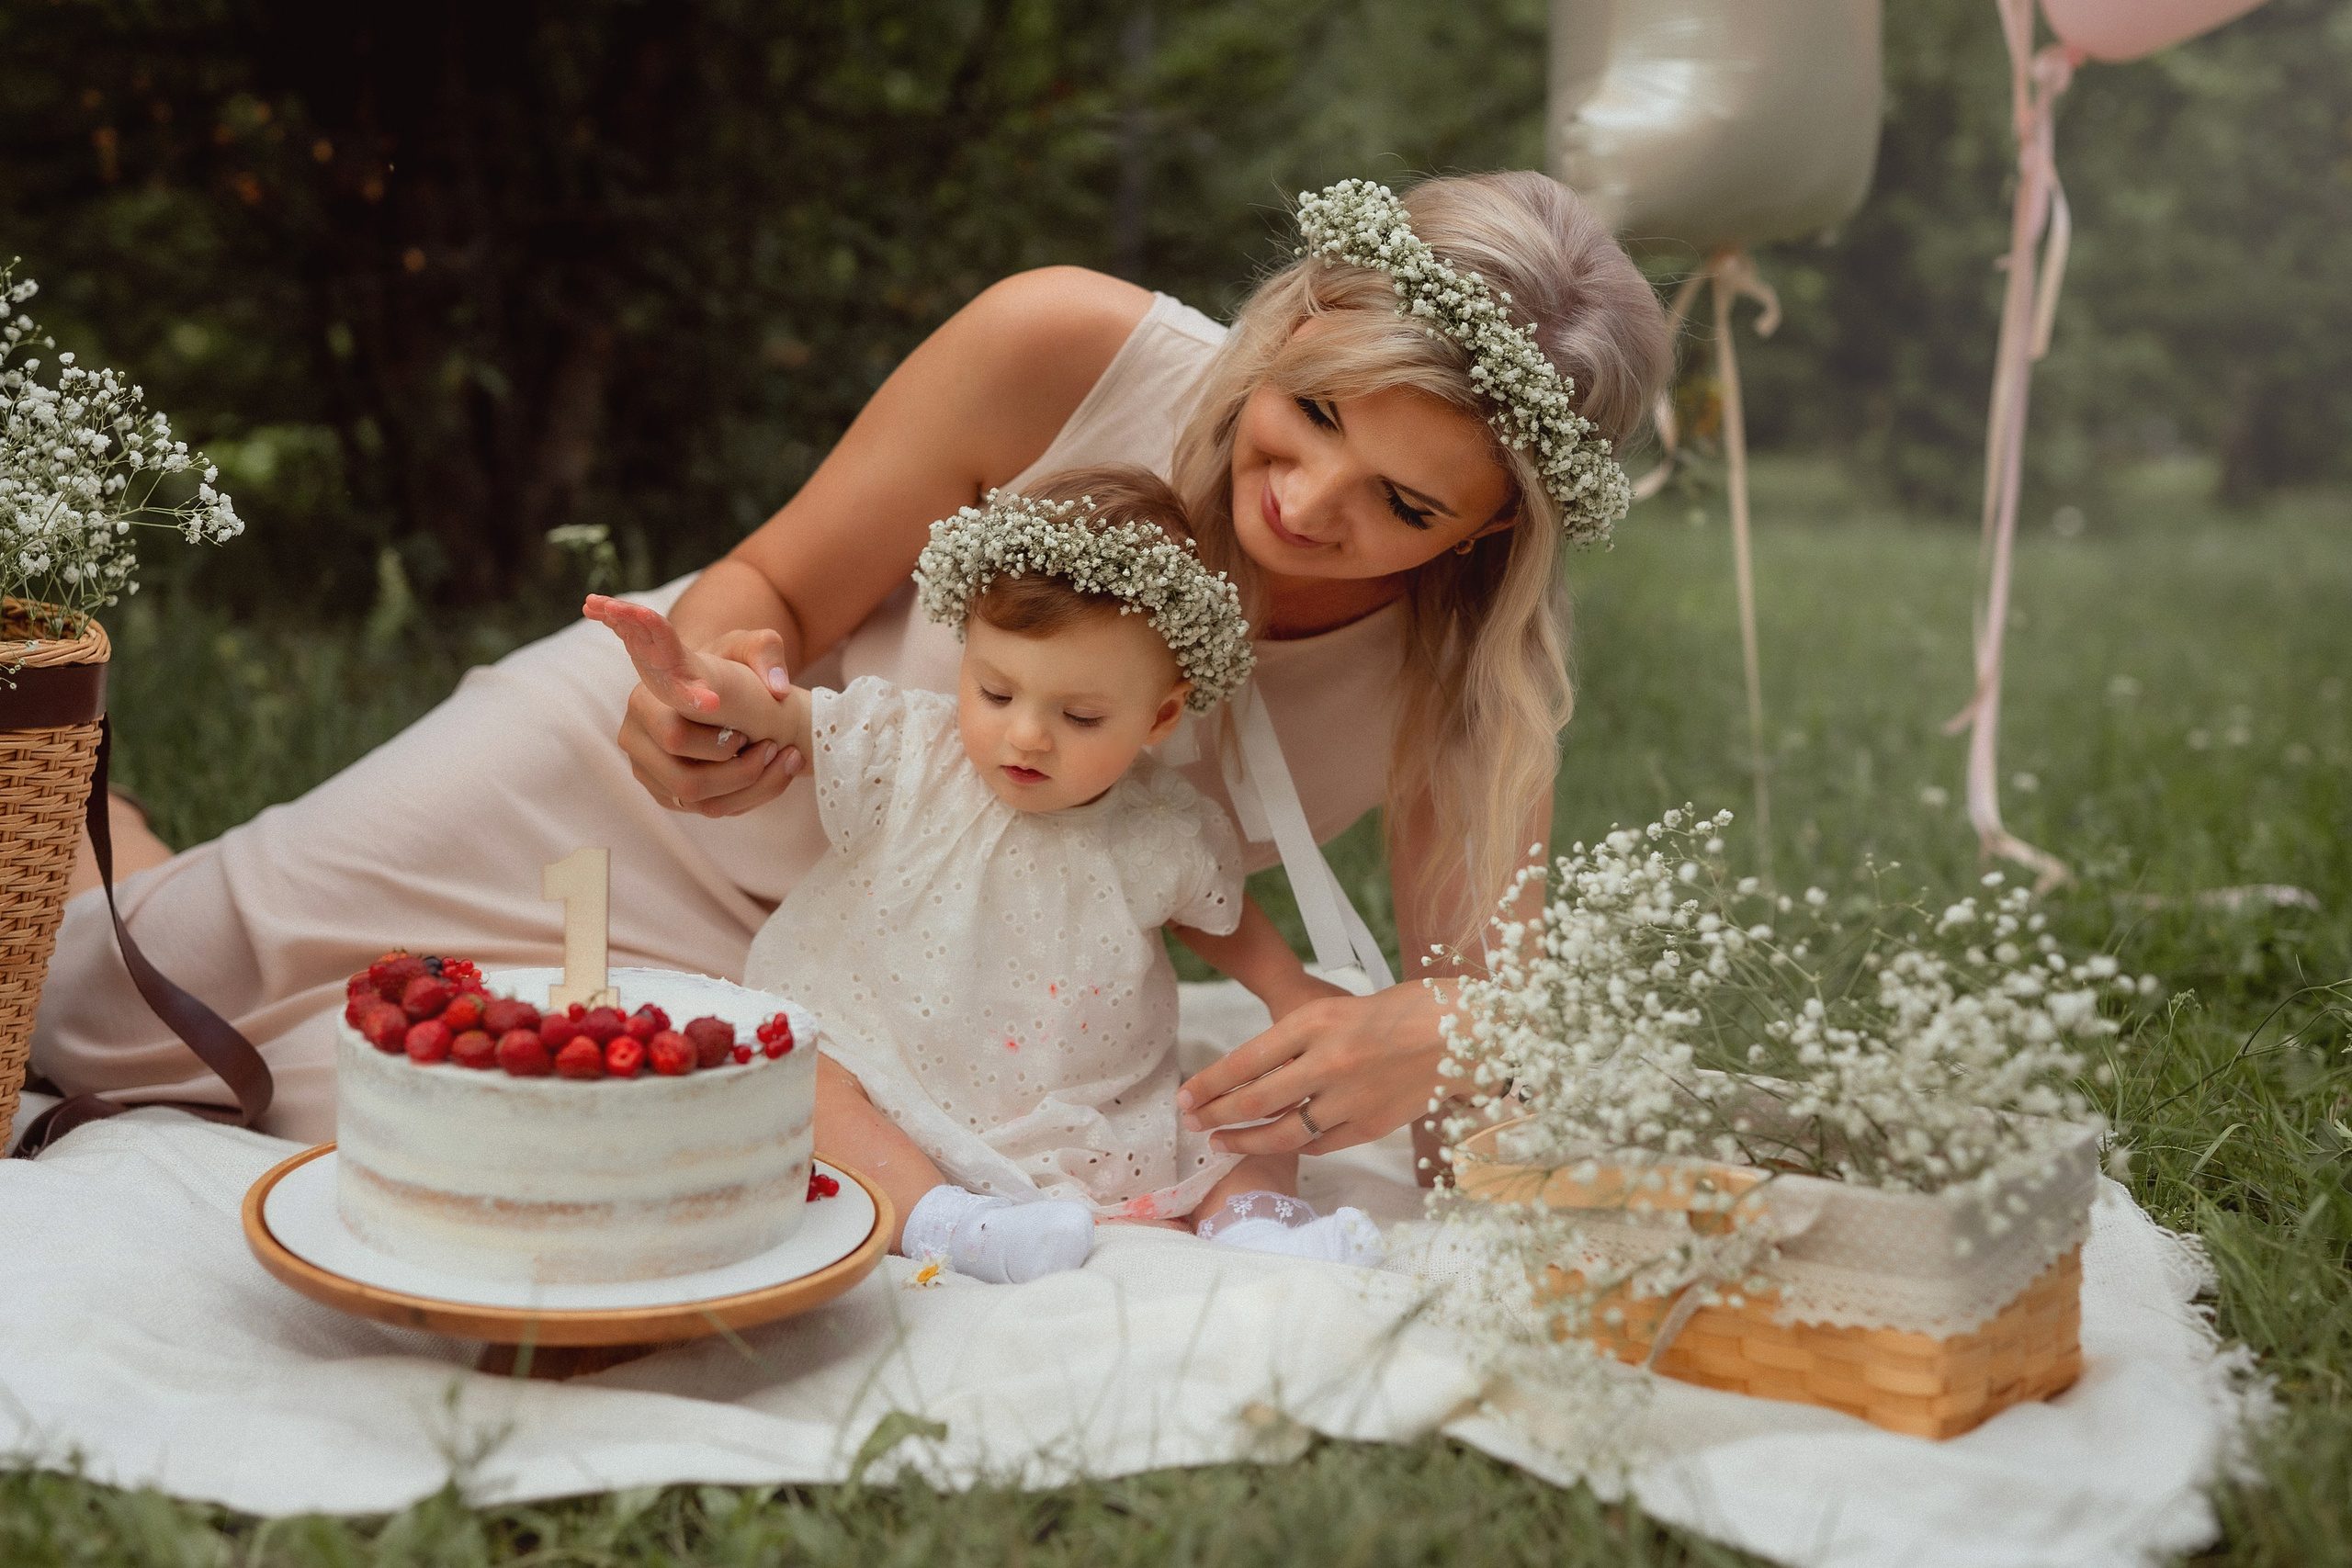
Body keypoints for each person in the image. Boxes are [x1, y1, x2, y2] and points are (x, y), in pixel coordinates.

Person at [34, 172, 1672, 1165]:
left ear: (1491, 532)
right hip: (645, 803)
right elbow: (773, 586)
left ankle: (160, 870)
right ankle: (108, 842)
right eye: (1310, 414)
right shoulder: (1065, 347)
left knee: (465, 1124)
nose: (1308, 505)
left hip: (885, 1016)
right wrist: (705, 691)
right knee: (97, 1015)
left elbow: (1496, 1027)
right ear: (1296, 317)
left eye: (1403, 505)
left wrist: (1447, 1031)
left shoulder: (1464, 690)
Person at [590, 468, 1385, 1280]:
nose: (1028, 735)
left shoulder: (1157, 822)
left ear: (1161, 715)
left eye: (1081, 715)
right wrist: (702, 680)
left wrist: (1286, 985)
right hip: (888, 1055)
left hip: (1087, 1093)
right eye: (997, 692)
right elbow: (781, 712)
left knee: (1233, 1113)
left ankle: (1262, 1228)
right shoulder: (909, 748)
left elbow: (1210, 911)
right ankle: (950, 1222)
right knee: (802, 1086)